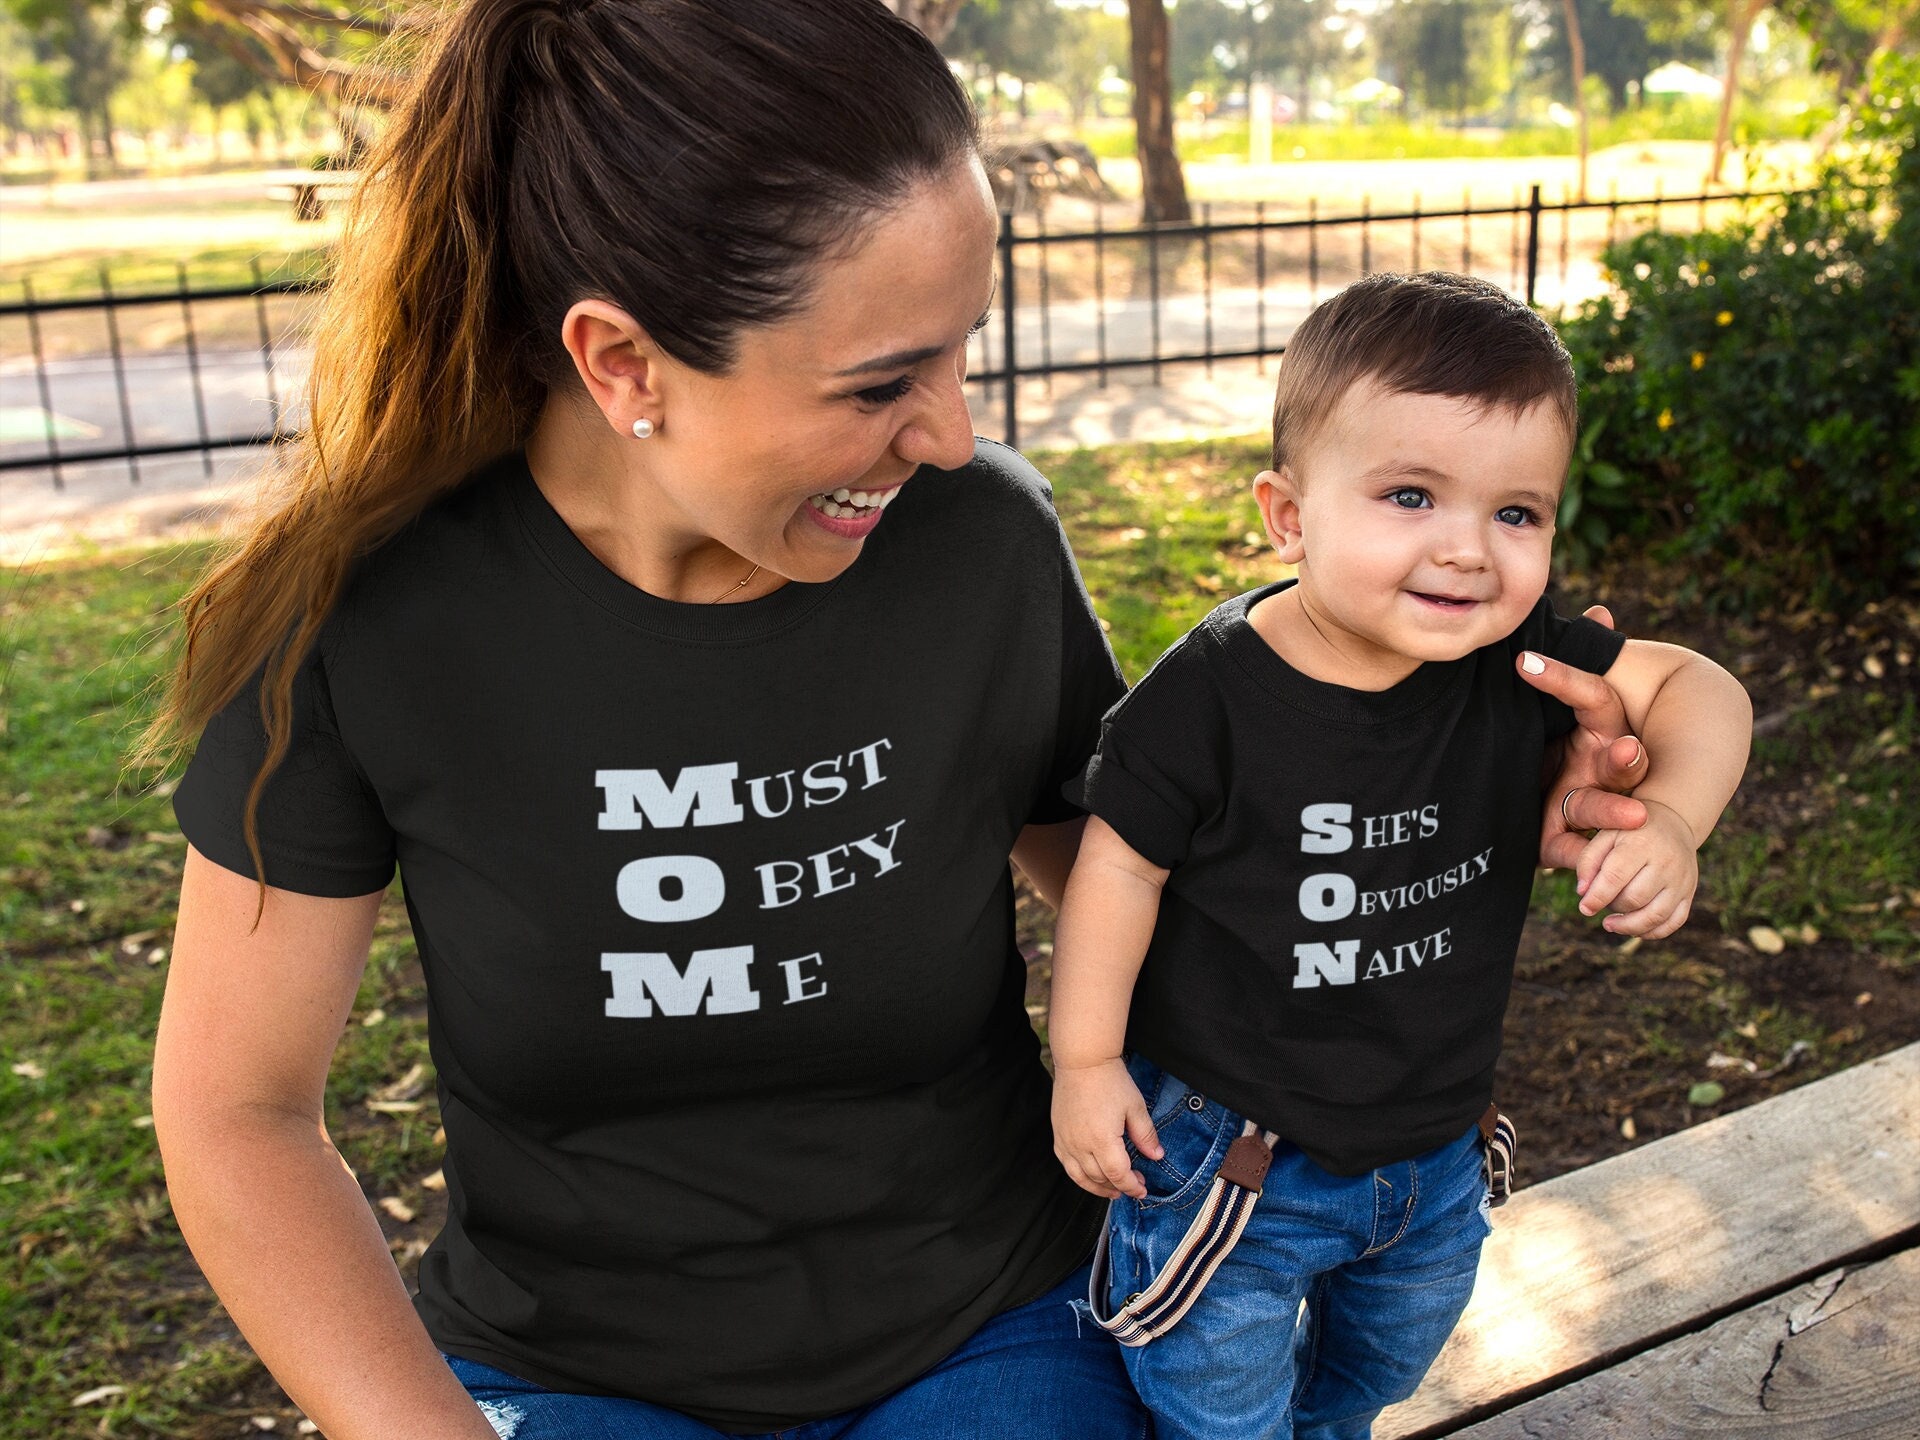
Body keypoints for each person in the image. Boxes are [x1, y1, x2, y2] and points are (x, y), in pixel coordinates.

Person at [142, 3, 1657, 1435]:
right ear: (624, 364)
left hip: (989, 1328)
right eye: (881, 385)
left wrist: (1466, 792)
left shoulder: (977, 546)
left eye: (961, 349)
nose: (950, 434)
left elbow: (1166, 878)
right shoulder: (367, 626)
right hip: (571, 1371)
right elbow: (238, 1115)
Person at [1047, 272, 1753, 1440]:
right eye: (1411, 496)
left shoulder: (1513, 660)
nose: (1467, 551)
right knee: (1216, 1401)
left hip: (1435, 1146)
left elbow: (1696, 685)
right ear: (1290, 516)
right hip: (1237, 1154)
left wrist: (1673, 816)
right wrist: (1084, 1060)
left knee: (1381, 1368)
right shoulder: (1206, 701)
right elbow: (1116, 868)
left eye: (1516, 513)